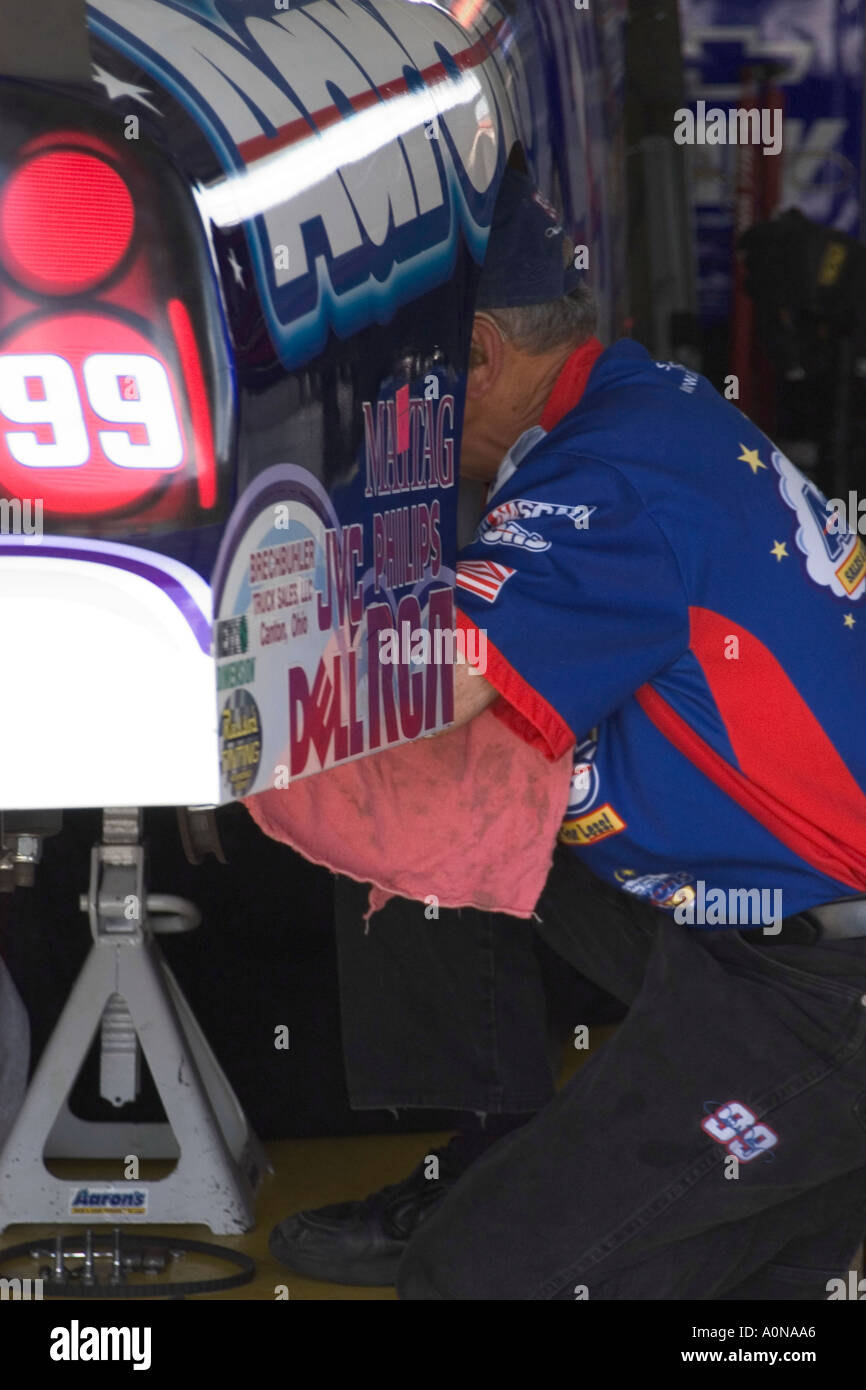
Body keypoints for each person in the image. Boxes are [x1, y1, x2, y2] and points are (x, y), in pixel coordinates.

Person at [298, 168, 866, 1299]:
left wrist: (215, 674)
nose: (384, 413)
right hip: (762, 938)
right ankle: (496, 1138)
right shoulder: (645, 406)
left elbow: (441, 673)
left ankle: (513, 1177)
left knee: (475, 1278)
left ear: (475, 359)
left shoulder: (597, 475)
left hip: (817, 995)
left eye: (390, 379)